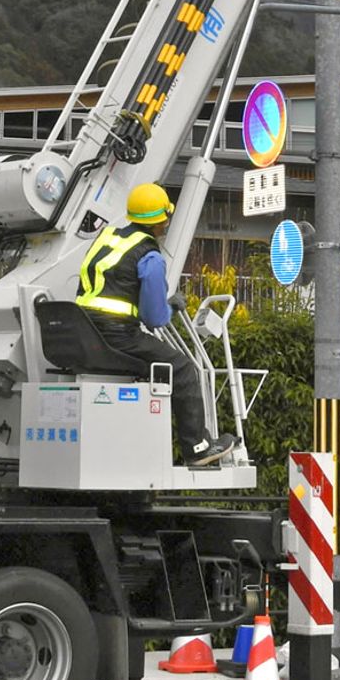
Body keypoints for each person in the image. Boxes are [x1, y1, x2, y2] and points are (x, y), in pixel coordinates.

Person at [76, 182, 235, 467]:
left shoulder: (107, 237)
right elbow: (154, 318)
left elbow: (113, 287)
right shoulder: (150, 257)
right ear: (160, 221)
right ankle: (197, 448)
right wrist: (170, 305)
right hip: (118, 336)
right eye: (166, 217)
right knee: (183, 369)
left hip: (85, 332)